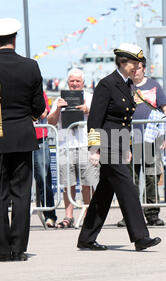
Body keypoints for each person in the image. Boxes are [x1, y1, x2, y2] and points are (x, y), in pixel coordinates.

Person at [0, 18, 45, 262]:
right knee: (22, 194)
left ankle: (2, 250)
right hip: (23, 136)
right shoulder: (31, 66)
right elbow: (39, 106)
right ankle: (19, 249)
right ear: (15, 39)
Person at [77, 43, 161, 251]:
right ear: (123, 62)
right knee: (128, 189)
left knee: (104, 194)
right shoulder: (107, 84)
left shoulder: (126, 84)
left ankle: (86, 237)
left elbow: (124, 121)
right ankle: (140, 237)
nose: (137, 67)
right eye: (134, 63)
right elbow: (95, 118)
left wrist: (127, 147)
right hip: (107, 144)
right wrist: (94, 147)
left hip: (119, 143)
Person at [117, 57, 166, 227]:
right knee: (129, 179)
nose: (135, 70)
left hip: (151, 139)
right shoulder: (124, 86)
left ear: (144, 69)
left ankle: (152, 214)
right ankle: (130, 215)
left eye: (138, 67)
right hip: (130, 140)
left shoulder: (154, 86)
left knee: (151, 177)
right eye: (132, 67)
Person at [48, 68, 99, 229]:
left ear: (83, 83)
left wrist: (88, 110)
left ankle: (87, 216)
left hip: (85, 144)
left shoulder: (91, 97)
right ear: (68, 82)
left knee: (87, 183)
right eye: (72, 81)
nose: (75, 84)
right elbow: (50, 122)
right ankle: (68, 216)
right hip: (66, 146)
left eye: (78, 81)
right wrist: (58, 109)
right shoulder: (59, 99)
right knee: (66, 182)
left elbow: (101, 116)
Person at [33, 91, 57, 227]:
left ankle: (50, 215)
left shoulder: (39, 91)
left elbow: (42, 113)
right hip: (18, 139)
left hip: (39, 140)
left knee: (44, 177)